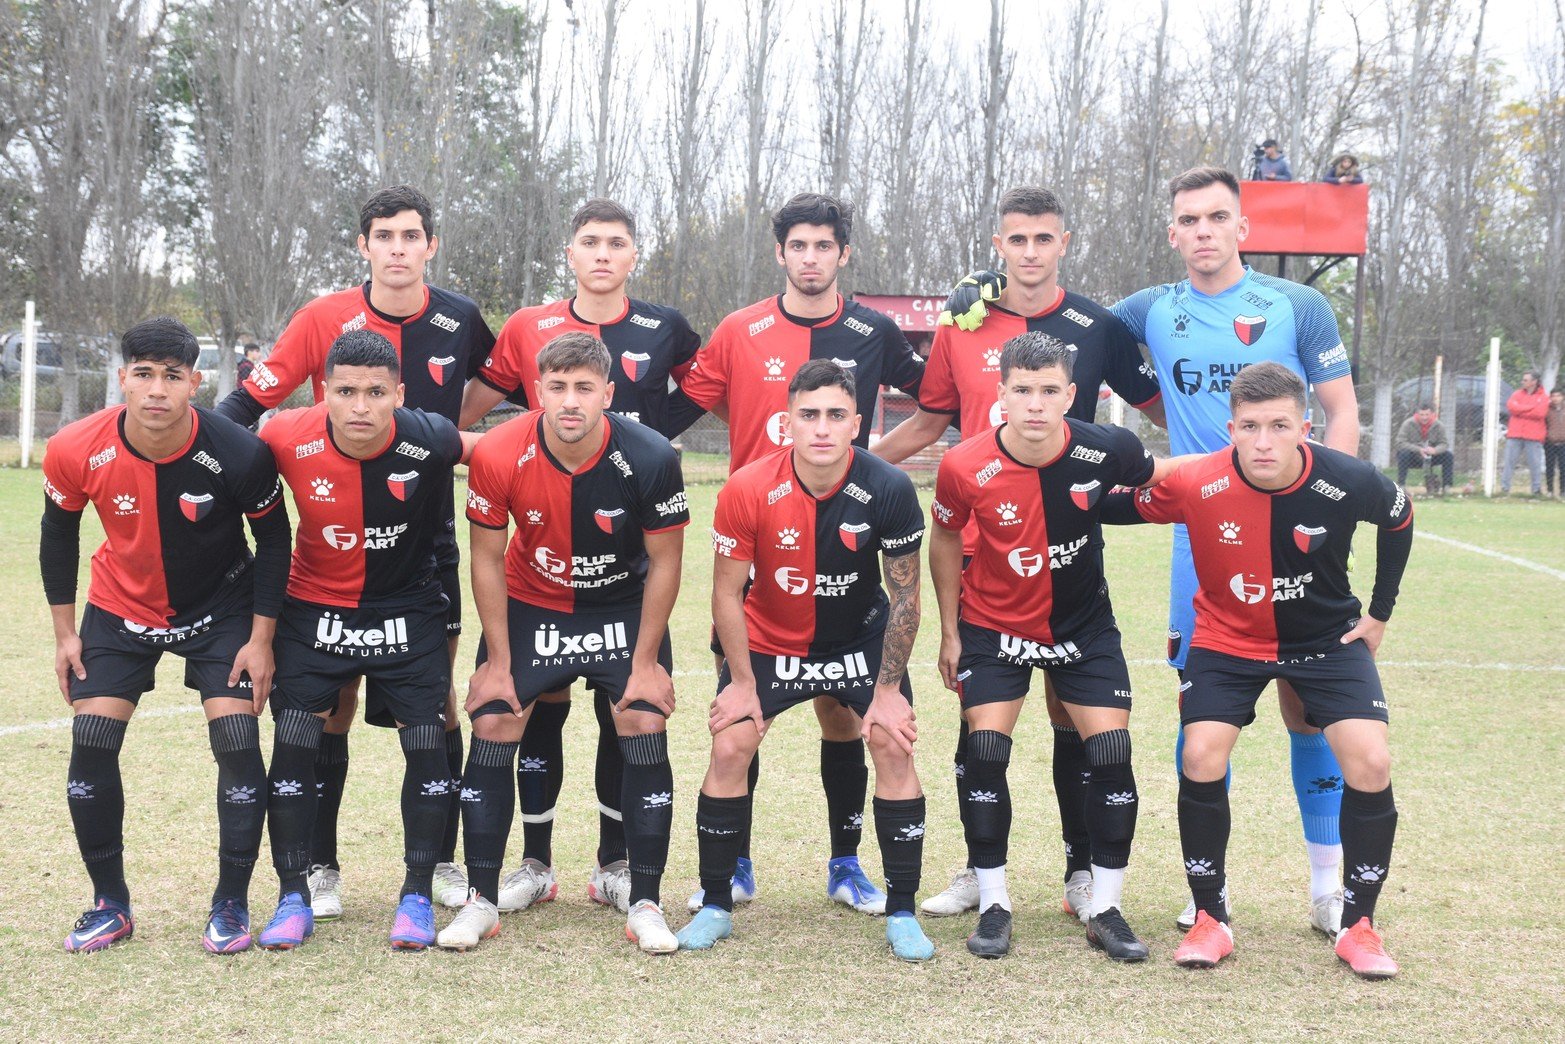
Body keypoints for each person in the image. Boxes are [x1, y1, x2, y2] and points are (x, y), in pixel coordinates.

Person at [940, 166, 1363, 936]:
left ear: (1242, 227)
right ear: (1171, 233)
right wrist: (985, 287)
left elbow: (1340, 411)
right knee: (1200, 706)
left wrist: (1326, 502)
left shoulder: (1297, 305)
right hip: (1198, 533)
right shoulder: (1144, 312)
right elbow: (1062, 311)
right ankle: (1210, 890)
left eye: (1216, 217)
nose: (1202, 231)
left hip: (1298, 531)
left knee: (1310, 708)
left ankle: (1326, 889)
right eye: (1187, 220)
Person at [874, 184, 1165, 923]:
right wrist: (859, 469)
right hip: (976, 549)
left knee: (1075, 715)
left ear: (1062, 242)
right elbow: (930, 421)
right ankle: (980, 869)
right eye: (1016, 239)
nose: (1030, 252)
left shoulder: (1095, 325)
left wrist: (1234, 458)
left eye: (1043, 238)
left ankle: (1079, 872)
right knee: (983, 721)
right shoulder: (961, 321)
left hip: (1062, 547)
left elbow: (1159, 416)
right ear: (997, 244)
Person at [215, 185, 496, 915]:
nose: (397, 249)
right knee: (327, 707)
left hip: (427, 544)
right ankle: (320, 866)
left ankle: (438, 864)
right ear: (363, 245)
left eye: (411, 236)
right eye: (383, 236)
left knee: (436, 711)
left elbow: (516, 392)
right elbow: (243, 412)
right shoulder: (321, 318)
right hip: (332, 546)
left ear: (430, 245)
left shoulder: (461, 317)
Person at [1104, 362, 1412, 979]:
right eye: (1250, 426)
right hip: (1227, 640)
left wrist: (1378, 614)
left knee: (1371, 760)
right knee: (1201, 754)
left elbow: (1400, 518)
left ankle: (1358, 925)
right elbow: (1111, 505)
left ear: (1305, 425)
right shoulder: (1197, 481)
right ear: (1231, 428)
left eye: (1279, 425)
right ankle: (1210, 917)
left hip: (1326, 641)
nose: (1264, 441)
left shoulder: (1347, 478)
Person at [670, 192, 926, 915]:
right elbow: (681, 408)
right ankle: (736, 863)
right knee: (738, 719)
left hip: (846, 538)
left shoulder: (874, 330)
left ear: (843, 254)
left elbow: (938, 397)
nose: (810, 258)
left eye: (824, 246)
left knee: (844, 718)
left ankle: (845, 864)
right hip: (758, 544)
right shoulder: (738, 328)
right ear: (779, 253)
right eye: (798, 246)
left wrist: (879, 460)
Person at [457, 198, 701, 918]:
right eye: (555, 387)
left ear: (609, 392)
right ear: (536, 390)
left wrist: (650, 658)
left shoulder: (652, 449)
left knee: (633, 711)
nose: (569, 400)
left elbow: (667, 561)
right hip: (536, 599)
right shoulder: (502, 447)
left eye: (583, 388)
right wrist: (496, 659)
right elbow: (486, 559)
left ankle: (618, 869)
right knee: (508, 714)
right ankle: (528, 868)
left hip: (618, 600)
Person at [929, 333, 1192, 961]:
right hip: (994, 627)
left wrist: (1242, 456)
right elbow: (942, 540)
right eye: (1023, 390)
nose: (1037, 404)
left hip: (1084, 629)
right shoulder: (964, 465)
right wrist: (949, 629)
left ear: (1072, 395)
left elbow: (1166, 473)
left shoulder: (1107, 447)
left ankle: (1105, 906)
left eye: (1050, 391)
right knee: (985, 749)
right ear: (1002, 396)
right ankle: (994, 902)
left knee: (1111, 752)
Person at [41, 316, 290, 954]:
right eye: (144, 375)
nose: (157, 390)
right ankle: (109, 904)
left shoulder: (239, 450)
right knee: (90, 743)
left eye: (172, 377)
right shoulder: (75, 447)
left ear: (194, 383)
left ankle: (231, 904)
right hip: (120, 607)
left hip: (222, 608)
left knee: (238, 740)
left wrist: (261, 639)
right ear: (123, 378)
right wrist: (66, 633)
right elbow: (58, 537)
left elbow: (274, 542)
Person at [678, 359, 934, 961]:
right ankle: (719, 899)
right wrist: (741, 681)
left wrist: (890, 689)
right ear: (785, 422)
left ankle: (896, 907)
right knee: (731, 743)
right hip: (769, 640)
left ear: (857, 424)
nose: (822, 428)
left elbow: (905, 598)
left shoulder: (889, 488)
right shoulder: (746, 487)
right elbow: (725, 593)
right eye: (809, 415)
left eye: (836, 416)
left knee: (891, 741)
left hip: (858, 641)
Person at [252, 331, 481, 952]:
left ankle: (416, 891)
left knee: (428, 744)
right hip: (313, 612)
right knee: (296, 744)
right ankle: (296, 890)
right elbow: (217, 451)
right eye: (346, 391)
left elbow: (502, 450)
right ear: (322, 392)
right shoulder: (283, 436)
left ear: (398, 395)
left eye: (375, 392)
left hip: (407, 611)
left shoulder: (429, 435)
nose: (360, 406)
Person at [1502, 370, 1549, 496]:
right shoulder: (1517, 394)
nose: (1522, 382)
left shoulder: (1543, 397)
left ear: (1534, 382)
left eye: (1526, 380)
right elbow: (1511, 407)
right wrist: (1530, 408)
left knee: (1535, 464)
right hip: (1515, 434)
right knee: (1509, 462)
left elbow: (1540, 413)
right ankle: (1505, 488)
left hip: (1533, 436)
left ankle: (1536, 489)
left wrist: (1520, 409)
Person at [1394, 403, 1453, 493]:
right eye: (1421, 414)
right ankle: (1401, 485)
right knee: (1403, 453)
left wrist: (1435, 450)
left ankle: (1446, 486)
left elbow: (1444, 444)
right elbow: (1400, 442)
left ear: (1432, 414)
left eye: (1427, 415)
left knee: (1448, 455)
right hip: (1413, 457)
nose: (1424, 417)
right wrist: (1418, 449)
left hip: (1432, 456)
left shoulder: (1439, 425)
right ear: (1417, 414)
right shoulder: (1408, 424)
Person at [1546, 388, 1565, 498]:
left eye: (1558, 396)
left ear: (1563, 397)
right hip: (1550, 443)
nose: (1555, 398)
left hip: (1563, 443)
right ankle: (1550, 491)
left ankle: (1563, 491)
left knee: (1563, 468)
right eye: (1553, 396)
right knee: (1550, 467)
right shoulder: (1547, 410)